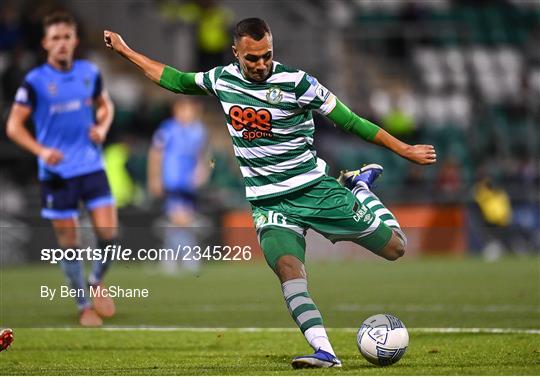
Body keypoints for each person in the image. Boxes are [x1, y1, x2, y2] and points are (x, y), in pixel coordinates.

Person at [104, 18, 436, 368]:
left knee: (396, 247)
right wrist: (126, 51)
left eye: (267, 55)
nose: (261, 64)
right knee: (289, 271)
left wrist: (405, 149)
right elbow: (174, 79)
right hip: (268, 203)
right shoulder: (221, 79)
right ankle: (325, 351)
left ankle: (360, 187)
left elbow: (351, 121)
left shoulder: (298, 83)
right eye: (252, 58)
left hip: (314, 190)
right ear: (236, 53)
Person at [6, 11, 117, 327]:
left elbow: (106, 105)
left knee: (109, 234)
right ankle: (84, 306)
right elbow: (14, 126)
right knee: (70, 245)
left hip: (91, 166)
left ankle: (96, 281)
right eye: (55, 38)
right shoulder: (35, 82)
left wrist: (102, 127)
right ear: (45, 43)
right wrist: (41, 150)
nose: (61, 44)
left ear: (75, 40)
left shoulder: (89, 73)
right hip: (56, 174)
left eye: (66, 37)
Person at [148, 98, 209, 274]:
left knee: (183, 220)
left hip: (189, 181)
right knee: (179, 219)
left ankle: (170, 258)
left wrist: (205, 170)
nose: (185, 113)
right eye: (182, 109)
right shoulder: (167, 129)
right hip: (172, 178)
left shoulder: (199, 131)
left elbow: (209, 156)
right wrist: (154, 178)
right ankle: (186, 259)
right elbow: (155, 153)